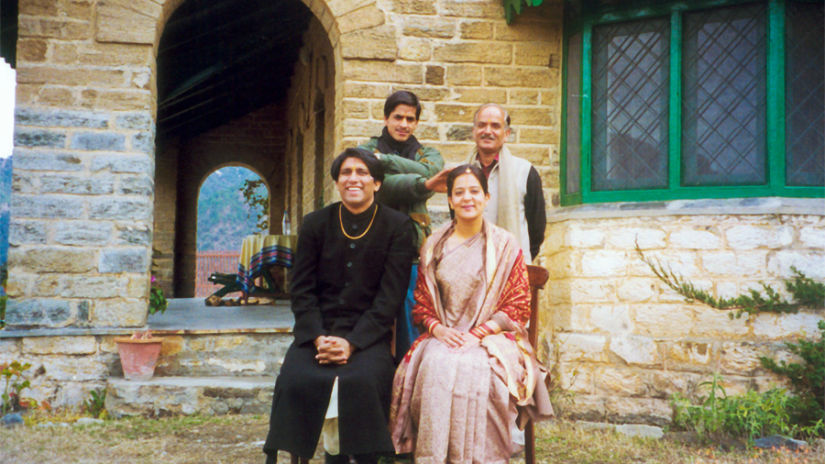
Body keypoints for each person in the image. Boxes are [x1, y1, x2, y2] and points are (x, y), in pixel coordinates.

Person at [389, 164, 554, 464]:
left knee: (478, 371)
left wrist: (478, 334)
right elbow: (422, 304)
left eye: (474, 191)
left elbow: (517, 303)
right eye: (459, 192)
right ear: (450, 200)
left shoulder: (505, 245)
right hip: (444, 334)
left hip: (494, 336)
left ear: (486, 197)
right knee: (438, 365)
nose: (467, 198)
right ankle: (434, 457)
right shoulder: (434, 245)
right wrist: (439, 330)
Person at [264, 148, 414, 464]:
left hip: (368, 338)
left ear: (377, 183)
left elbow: (389, 298)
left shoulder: (397, 226)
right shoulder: (316, 223)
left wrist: (351, 343)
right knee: (296, 379)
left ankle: (354, 458)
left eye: (362, 172)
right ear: (337, 181)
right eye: (346, 172)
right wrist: (319, 338)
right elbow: (301, 291)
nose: (353, 179)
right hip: (316, 336)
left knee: (359, 381)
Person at [359, 90, 447, 356]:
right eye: (398, 117)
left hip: (412, 247)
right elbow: (375, 188)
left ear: (417, 123)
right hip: (372, 244)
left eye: (410, 119)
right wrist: (421, 184)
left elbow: (431, 174)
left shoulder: (428, 153)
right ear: (386, 118)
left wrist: (384, 162)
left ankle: (410, 371)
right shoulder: (364, 151)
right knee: (372, 312)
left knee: (411, 314)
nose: (404, 124)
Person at [465, 103, 546, 264]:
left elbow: (536, 230)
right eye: (482, 125)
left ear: (506, 134)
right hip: (469, 266)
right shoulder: (461, 173)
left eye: (495, 126)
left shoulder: (525, 172)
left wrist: (514, 259)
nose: (487, 131)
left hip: (513, 267)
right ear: (474, 131)